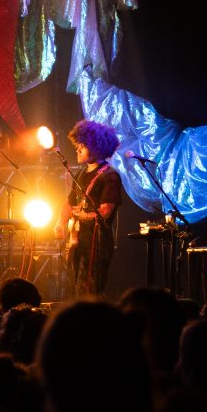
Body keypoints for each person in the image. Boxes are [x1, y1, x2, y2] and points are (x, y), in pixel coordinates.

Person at [63, 119, 122, 297]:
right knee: (78, 288)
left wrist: (82, 216)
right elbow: (68, 202)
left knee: (90, 291)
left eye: (82, 146)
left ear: (96, 147)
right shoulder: (81, 173)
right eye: (77, 145)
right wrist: (59, 222)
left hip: (97, 243)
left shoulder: (110, 176)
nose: (77, 149)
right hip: (78, 241)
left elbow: (105, 212)